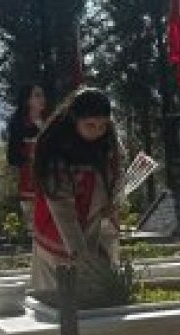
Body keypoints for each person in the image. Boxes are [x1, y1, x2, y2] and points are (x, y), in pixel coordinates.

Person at [30, 87, 123, 306]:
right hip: (56, 237)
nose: (97, 131)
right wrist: (80, 256)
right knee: (54, 305)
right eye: (90, 125)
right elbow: (63, 212)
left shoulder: (108, 143)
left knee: (94, 303)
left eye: (102, 126)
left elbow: (116, 177)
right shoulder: (56, 153)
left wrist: (112, 203)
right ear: (74, 120)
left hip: (92, 229)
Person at [5, 84, 48, 223]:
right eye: (37, 95)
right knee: (35, 231)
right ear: (27, 100)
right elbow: (12, 157)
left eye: (42, 95)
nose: (42, 99)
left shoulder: (51, 123)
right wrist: (31, 156)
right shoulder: (18, 125)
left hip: (53, 188)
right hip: (29, 189)